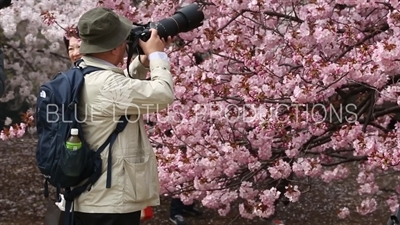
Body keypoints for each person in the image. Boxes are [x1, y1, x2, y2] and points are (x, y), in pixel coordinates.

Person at [71, 7, 174, 225]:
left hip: (84, 195)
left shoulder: (79, 72)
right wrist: (157, 55)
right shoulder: (109, 85)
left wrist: (143, 62)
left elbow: (117, 92)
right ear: (115, 47)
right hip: (109, 201)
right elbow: (163, 94)